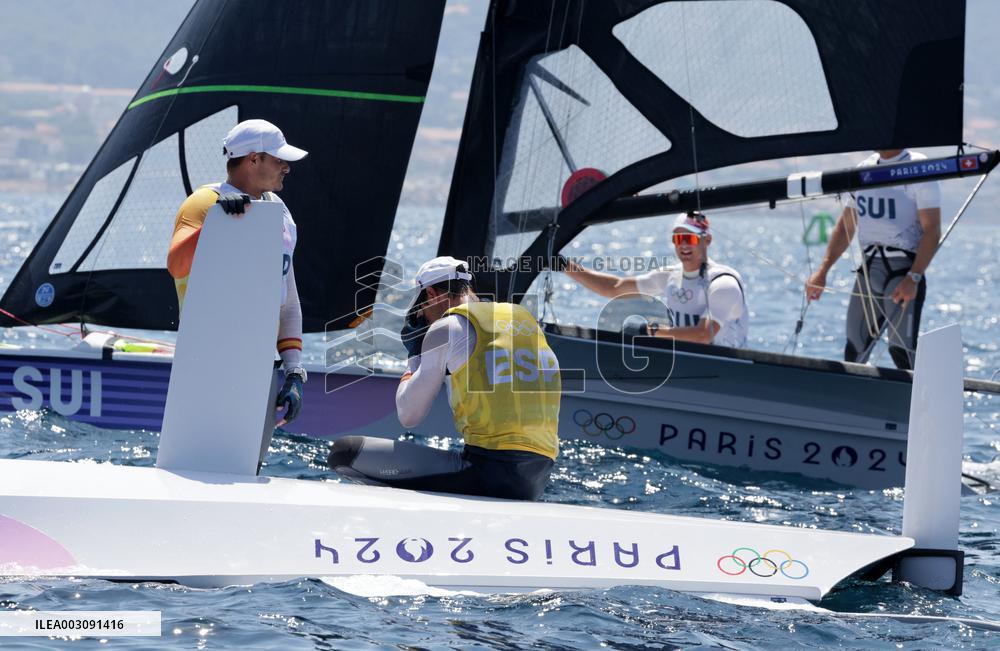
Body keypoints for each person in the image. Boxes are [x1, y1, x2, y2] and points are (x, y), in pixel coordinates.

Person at [327, 256, 561, 500]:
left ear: (431, 293)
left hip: (485, 473)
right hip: (538, 478)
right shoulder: (525, 319)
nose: (425, 317)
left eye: (421, 309)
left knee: (345, 453)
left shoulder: (447, 327)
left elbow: (409, 416)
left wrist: (415, 355)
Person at [166, 119, 309, 427]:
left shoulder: (280, 210)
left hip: (257, 365)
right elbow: (176, 264)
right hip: (207, 361)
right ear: (253, 159)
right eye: (278, 159)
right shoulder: (204, 202)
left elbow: (288, 299)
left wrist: (294, 370)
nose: (286, 167)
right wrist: (216, 222)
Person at [805, 149, 941, 370]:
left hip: (903, 274)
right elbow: (846, 227)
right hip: (869, 272)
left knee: (901, 350)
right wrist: (822, 271)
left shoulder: (918, 167)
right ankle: (849, 400)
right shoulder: (864, 169)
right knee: (854, 348)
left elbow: (932, 230)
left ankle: (921, 400)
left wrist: (913, 277)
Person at [565, 211, 749, 348]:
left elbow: (703, 335)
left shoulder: (723, 285)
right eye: (678, 239)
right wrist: (566, 266)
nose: (683, 245)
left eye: (689, 238)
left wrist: (650, 331)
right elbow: (615, 287)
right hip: (689, 365)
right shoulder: (670, 276)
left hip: (726, 371)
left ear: (707, 240)